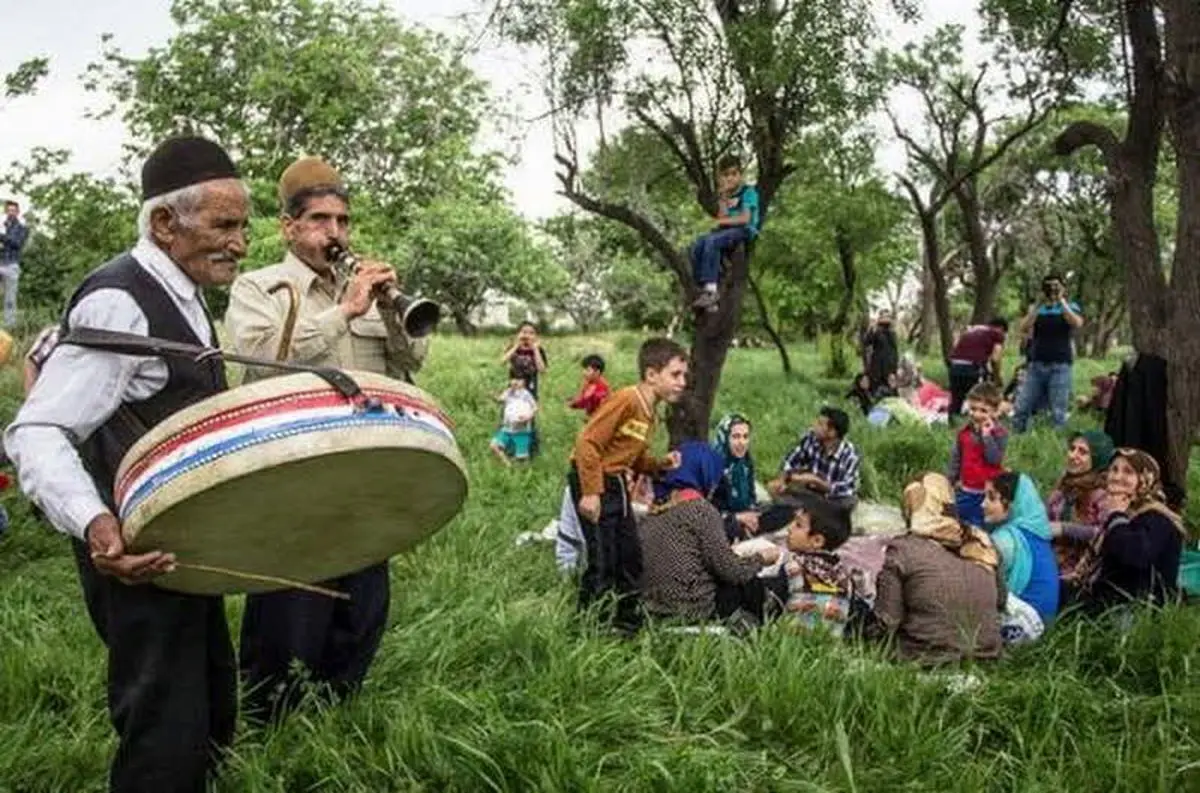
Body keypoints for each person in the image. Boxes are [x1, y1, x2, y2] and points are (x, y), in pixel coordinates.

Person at [4, 136, 249, 793]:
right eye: (224, 224)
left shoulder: (184, 286)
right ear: (166, 222)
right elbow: (39, 429)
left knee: (208, 703)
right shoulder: (121, 300)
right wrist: (95, 523)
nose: (240, 242)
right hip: (130, 549)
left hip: (180, 542)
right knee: (163, 725)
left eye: (243, 225)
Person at [225, 156, 428, 724]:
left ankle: (334, 715)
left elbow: (411, 360)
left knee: (363, 608)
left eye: (341, 220)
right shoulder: (258, 287)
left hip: (364, 471)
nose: (333, 232)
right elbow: (260, 363)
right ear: (289, 227)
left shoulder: (368, 290)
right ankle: (268, 723)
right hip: (293, 472)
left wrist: (392, 310)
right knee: (290, 610)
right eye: (318, 220)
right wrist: (343, 311)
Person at [568, 337, 687, 634]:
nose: (682, 382)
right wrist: (592, 493)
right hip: (594, 480)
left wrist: (659, 464)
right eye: (675, 374)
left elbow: (630, 456)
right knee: (602, 561)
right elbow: (588, 443)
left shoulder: (651, 414)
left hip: (618, 485)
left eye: (684, 375)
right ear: (651, 374)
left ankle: (625, 621)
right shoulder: (627, 399)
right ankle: (588, 628)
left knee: (630, 556)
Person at [638, 441, 783, 625]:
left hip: (651, 609)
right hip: (689, 609)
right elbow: (731, 570)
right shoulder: (700, 510)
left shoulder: (655, 510)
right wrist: (761, 558)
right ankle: (761, 630)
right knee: (749, 584)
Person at [870, 473, 1006, 666]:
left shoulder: (902, 549)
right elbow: (1000, 602)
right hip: (986, 660)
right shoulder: (982, 542)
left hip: (924, 661)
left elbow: (888, 622)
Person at [1070, 448, 1185, 614]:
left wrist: (1116, 515)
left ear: (1146, 479)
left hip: (1137, 613)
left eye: (1128, 472)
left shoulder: (1157, 518)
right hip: (1110, 601)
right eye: (1114, 470)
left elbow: (1134, 554)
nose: (1117, 477)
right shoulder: (1127, 514)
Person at [982, 472, 1060, 628]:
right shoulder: (1037, 532)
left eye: (991, 498)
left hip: (1024, 624)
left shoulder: (1006, 541)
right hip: (1045, 622)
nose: (983, 504)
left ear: (1012, 504)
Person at [1013, 273, 1084, 431]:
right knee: (1022, 406)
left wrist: (1061, 301)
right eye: (1048, 286)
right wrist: (1037, 305)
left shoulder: (1070, 306)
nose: (1052, 289)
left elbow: (1076, 323)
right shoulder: (1038, 309)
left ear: (1063, 288)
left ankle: (1056, 443)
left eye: (1056, 285)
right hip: (1036, 364)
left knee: (1058, 410)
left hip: (1060, 365)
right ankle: (1017, 438)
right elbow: (1023, 327)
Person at [689, 154, 760, 311]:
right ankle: (701, 288)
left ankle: (711, 289)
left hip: (744, 230)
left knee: (712, 242)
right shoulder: (726, 195)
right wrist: (723, 198)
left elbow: (745, 219)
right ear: (721, 177)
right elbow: (722, 216)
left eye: (734, 174)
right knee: (697, 244)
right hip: (727, 230)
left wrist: (720, 222)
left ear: (740, 175)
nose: (730, 178)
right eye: (726, 175)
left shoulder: (748, 192)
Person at [1047, 430, 1115, 580]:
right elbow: (1047, 514)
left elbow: (1106, 534)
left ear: (1097, 459)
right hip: (1053, 557)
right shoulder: (1066, 483)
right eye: (1072, 449)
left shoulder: (1103, 493)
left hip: (1079, 569)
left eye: (1083, 452)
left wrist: (1065, 529)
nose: (1073, 456)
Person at [769, 407, 860, 515]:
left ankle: (810, 513)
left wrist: (815, 480)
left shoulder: (849, 454)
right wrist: (783, 480)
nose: (814, 426)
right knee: (775, 489)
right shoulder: (811, 438)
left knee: (848, 502)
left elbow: (846, 488)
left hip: (833, 499)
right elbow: (791, 460)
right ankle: (810, 513)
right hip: (810, 493)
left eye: (820, 424)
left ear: (832, 432)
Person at [946, 382, 1008, 529]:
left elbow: (994, 459)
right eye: (973, 409)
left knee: (981, 527)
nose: (977, 414)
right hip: (966, 489)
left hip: (986, 494)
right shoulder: (964, 433)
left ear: (995, 412)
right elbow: (956, 459)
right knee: (960, 522)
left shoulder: (1000, 433)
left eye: (983, 411)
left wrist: (986, 436)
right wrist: (950, 480)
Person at [946, 317, 1008, 420]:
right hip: (972, 368)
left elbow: (957, 346)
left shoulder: (972, 330)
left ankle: (951, 425)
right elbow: (995, 359)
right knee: (980, 399)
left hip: (954, 366)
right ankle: (979, 426)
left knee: (956, 399)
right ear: (1001, 328)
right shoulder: (997, 334)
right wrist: (997, 378)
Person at [502, 321, 547, 456]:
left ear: (536, 336)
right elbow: (503, 361)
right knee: (509, 417)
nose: (527, 335)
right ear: (518, 334)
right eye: (524, 332)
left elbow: (542, 369)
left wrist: (535, 349)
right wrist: (516, 346)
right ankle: (509, 448)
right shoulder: (513, 347)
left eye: (531, 332)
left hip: (529, 391)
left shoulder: (538, 349)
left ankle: (529, 450)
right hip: (513, 391)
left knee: (527, 419)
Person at [712, 412, 759, 541]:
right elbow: (708, 513)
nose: (742, 443)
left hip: (743, 517)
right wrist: (739, 518)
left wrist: (752, 515)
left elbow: (751, 497)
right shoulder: (714, 467)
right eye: (736, 437)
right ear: (725, 438)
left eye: (745, 437)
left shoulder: (745, 464)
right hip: (719, 525)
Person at [491, 365, 538, 465]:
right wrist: (494, 397)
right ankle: (507, 464)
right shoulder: (508, 392)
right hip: (507, 428)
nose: (515, 382)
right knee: (494, 445)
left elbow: (535, 408)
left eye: (519, 379)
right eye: (513, 379)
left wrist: (528, 416)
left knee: (522, 459)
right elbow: (501, 399)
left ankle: (520, 465)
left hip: (522, 430)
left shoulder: (526, 395)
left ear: (524, 382)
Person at [0, 200, 28, 327]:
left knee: (10, 299)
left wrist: (2, 236)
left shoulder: (22, 228)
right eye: (9, 210)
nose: (11, 213)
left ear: (17, 212)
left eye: (13, 210)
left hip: (11, 265)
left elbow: (17, 243)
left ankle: (9, 327)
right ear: (6, 211)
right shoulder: (2, 225)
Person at [862, 310, 900, 393]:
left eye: (887, 317)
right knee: (875, 388)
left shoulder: (892, 334)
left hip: (889, 366)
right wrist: (872, 328)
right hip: (877, 366)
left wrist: (894, 369)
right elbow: (866, 342)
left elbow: (895, 352)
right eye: (883, 317)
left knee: (890, 388)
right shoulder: (876, 332)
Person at [567, 353, 610, 417]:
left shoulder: (601, 388)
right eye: (584, 369)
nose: (584, 372)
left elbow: (584, 402)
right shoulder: (588, 382)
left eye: (588, 370)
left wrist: (571, 404)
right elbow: (580, 398)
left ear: (597, 372)